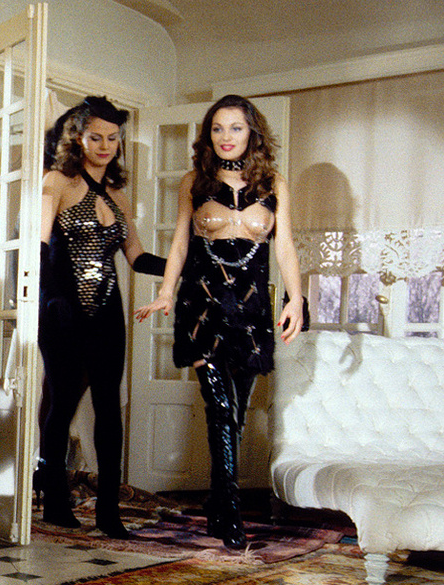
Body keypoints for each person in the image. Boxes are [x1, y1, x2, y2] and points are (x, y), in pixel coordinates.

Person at [133, 94, 305, 550]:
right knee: (219, 406)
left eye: (236, 128)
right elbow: (179, 245)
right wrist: (166, 291)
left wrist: (297, 298)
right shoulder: (194, 182)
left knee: (238, 412)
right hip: (201, 308)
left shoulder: (274, 184)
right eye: (217, 128)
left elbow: (285, 247)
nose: (226, 137)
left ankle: (215, 500)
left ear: (252, 133)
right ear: (208, 135)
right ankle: (229, 510)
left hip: (251, 314)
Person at [35, 97, 165, 539]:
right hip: (63, 310)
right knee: (62, 404)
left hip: (108, 314)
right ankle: (55, 501)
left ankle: (109, 512)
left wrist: (185, 264)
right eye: (96, 137)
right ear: (78, 138)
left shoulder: (119, 197)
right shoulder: (56, 182)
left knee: (110, 409)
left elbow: (138, 257)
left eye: (113, 138)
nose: (106, 145)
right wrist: (52, 300)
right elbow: (39, 248)